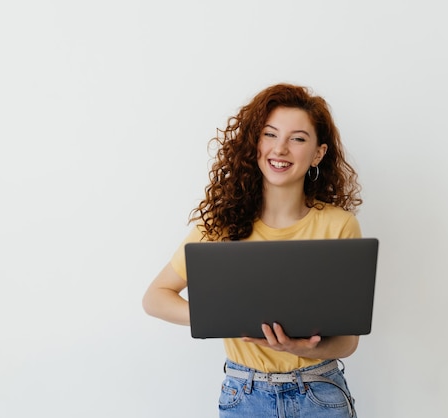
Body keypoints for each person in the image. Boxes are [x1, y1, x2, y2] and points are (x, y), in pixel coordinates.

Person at [142, 83, 363, 417]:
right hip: (245, 395)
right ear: (255, 143)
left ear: (318, 153)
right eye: (270, 134)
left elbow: (347, 342)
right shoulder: (222, 223)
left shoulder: (339, 226)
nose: (281, 149)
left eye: (298, 138)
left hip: (320, 394)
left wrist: (297, 346)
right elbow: (155, 297)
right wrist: (224, 319)